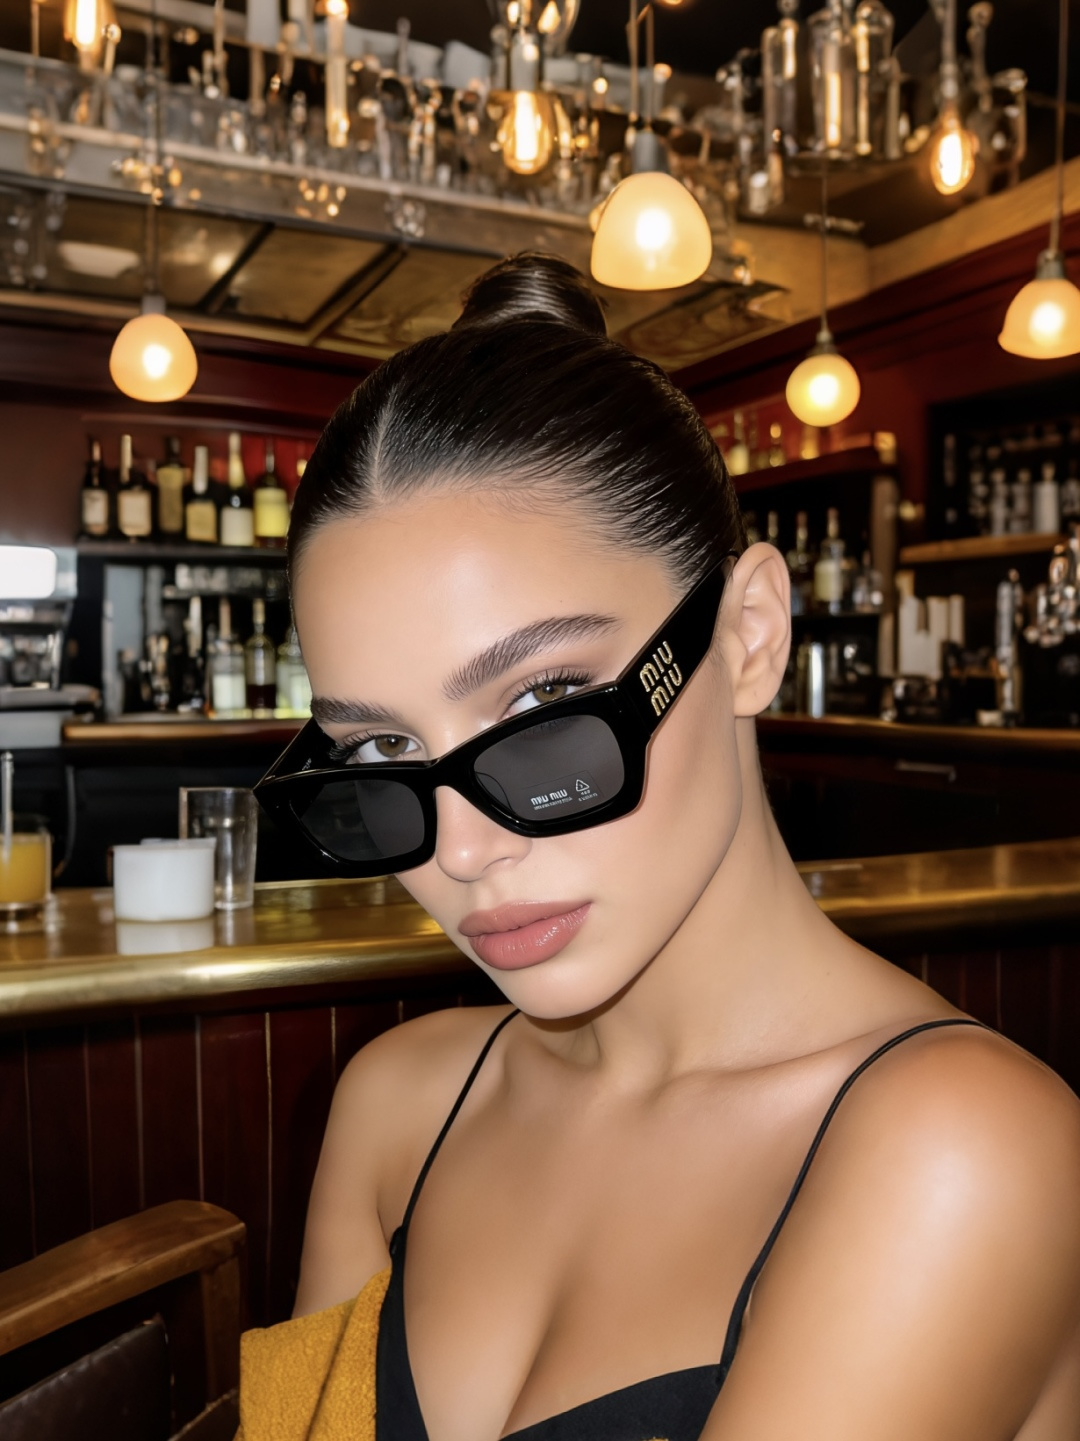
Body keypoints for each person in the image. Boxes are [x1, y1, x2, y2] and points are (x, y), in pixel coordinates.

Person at [238, 254, 1080, 1441]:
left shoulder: (962, 1151)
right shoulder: (394, 1108)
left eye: (543, 707)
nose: (463, 851)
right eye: (381, 750)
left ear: (748, 636)